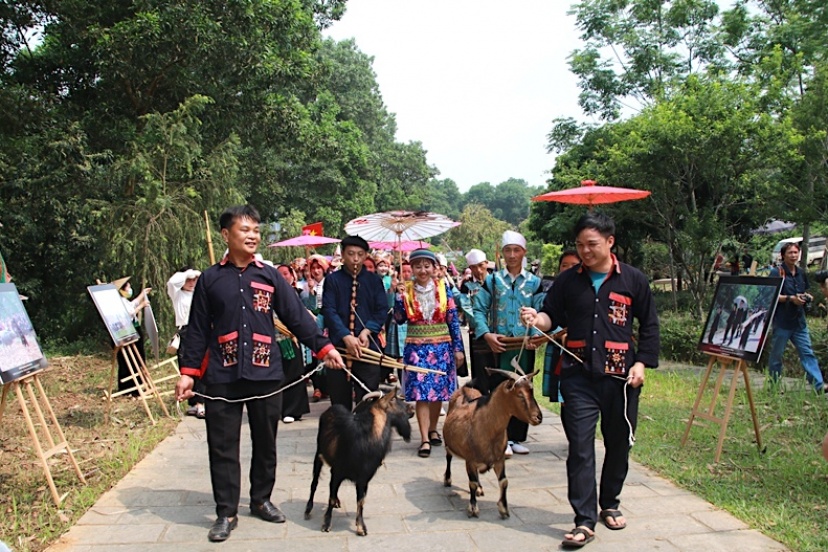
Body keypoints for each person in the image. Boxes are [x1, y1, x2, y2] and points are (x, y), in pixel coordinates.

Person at [174, 205, 344, 543]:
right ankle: (226, 511)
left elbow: (296, 316)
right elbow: (196, 330)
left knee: (266, 441)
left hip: (266, 373)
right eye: (244, 230)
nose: (252, 236)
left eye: (255, 230)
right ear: (226, 235)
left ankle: (261, 499)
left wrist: (325, 348)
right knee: (222, 445)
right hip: (222, 374)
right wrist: (188, 373)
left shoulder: (267, 275)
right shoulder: (210, 279)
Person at [521, 212, 659, 548]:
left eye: (592, 244)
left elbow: (651, 325)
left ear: (610, 242)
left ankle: (609, 503)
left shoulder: (634, 280)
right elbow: (550, 314)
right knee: (580, 448)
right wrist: (536, 319)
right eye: (580, 244)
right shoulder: (569, 281)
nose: (584, 251)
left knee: (619, 443)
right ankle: (583, 520)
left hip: (621, 379)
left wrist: (641, 363)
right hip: (577, 376)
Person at [472, 230, 545, 456]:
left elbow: (542, 312)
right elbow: (478, 310)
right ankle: (498, 436)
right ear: (502, 254)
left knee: (522, 389)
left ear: (524, 252)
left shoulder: (535, 283)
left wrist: (537, 334)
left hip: (524, 345)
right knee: (498, 390)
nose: (512, 255)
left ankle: (515, 437)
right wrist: (486, 335)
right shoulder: (492, 281)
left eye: (516, 250)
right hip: (498, 345)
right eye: (508, 251)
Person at [394, 249, 465, 457]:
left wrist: (458, 349)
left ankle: (433, 429)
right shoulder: (405, 291)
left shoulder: (444, 289)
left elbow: (453, 321)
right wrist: (398, 299)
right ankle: (424, 437)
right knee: (420, 394)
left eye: (427, 266)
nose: (422, 270)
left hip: (441, 349)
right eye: (418, 266)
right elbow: (398, 319)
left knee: (437, 394)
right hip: (416, 350)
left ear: (434, 268)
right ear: (412, 269)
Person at [321, 235, 388, 410]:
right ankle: (342, 437)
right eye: (351, 253)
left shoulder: (374, 281)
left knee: (368, 400)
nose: (355, 258)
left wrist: (367, 331)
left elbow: (382, 310)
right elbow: (329, 310)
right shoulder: (332, 280)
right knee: (339, 403)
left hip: (367, 349)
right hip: (339, 349)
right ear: (343, 254)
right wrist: (345, 336)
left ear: (366, 255)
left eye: (360, 254)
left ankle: (366, 436)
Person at [767, 242, 825, 393]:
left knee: (807, 353)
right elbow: (770, 295)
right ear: (783, 255)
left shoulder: (801, 273)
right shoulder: (777, 272)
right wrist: (790, 298)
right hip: (782, 321)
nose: (793, 255)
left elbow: (804, 291)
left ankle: (818, 386)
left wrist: (806, 297)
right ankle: (773, 386)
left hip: (799, 321)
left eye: (795, 252)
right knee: (776, 355)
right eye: (790, 253)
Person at [542, 249, 581, 403]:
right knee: (564, 397)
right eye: (564, 265)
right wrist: (560, 333)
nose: (569, 268)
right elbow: (548, 314)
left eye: (574, 264)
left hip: (582, 348)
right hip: (560, 346)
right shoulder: (554, 289)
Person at [275, 264, 311, 423]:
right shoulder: (270, 293)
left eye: (285, 273)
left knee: (295, 374)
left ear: (292, 275)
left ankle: (294, 410)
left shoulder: (298, 293)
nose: (283, 277)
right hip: (275, 339)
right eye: (279, 274)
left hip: (292, 338)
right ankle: (279, 409)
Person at [166, 267, 203, 417]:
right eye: (188, 280)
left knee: (200, 366)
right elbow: (172, 282)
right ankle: (195, 403)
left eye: (194, 280)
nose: (191, 282)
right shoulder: (177, 294)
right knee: (187, 366)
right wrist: (191, 273)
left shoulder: (199, 294)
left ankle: (201, 401)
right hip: (186, 331)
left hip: (200, 330)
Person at [112, 276, 152, 394]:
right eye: (128, 287)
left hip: (133, 331)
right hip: (126, 332)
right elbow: (128, 314)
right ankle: (129, 387)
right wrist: (142, 305)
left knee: (138, 357)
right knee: (129, 359)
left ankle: (139, 383)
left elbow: (132, 304)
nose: (130, 289)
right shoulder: (117, 302)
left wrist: (142, 294)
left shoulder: (124, 301)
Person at [459, 248, 489, 382]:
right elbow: (466, 307)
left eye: (481, 265)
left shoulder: (496, 281)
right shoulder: (467, 285)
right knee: (479, 370)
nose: (479, 270)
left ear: (486, 263)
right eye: (473, 267)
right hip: (477, 332)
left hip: (496, 331)